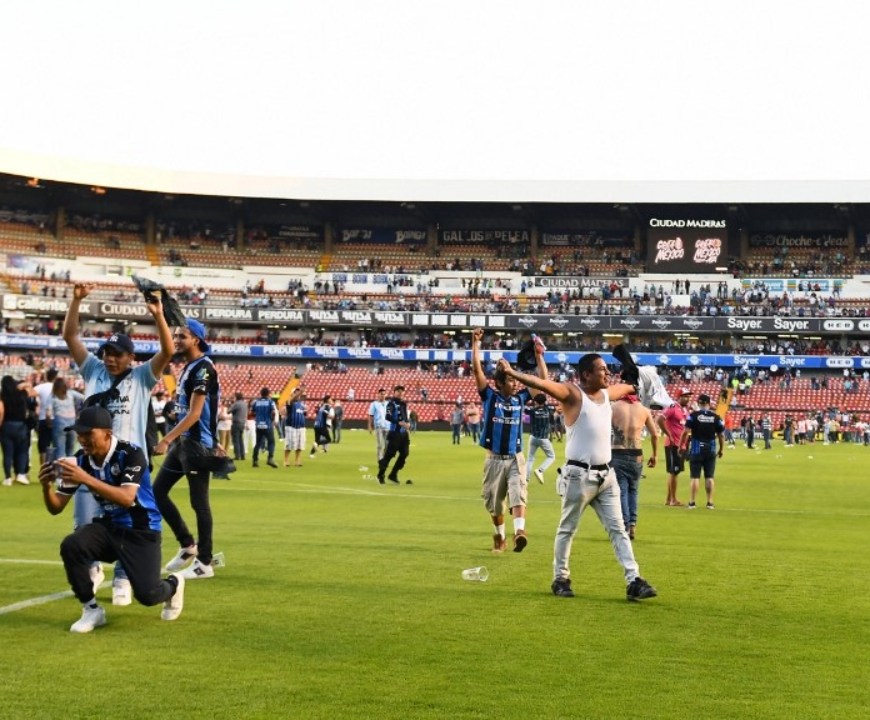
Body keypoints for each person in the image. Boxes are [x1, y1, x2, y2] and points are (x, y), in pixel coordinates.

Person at [496, 352, 657, 601]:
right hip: (578, 476)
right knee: (567, 530)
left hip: (606, 476)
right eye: (601, 369)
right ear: (586, 375)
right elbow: (540, 383)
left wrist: (635, 379)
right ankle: (560, 578)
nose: (606, 373)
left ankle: (634, 579)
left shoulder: (605, 394)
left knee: (619, 530)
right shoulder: (572, 394)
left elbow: (626, 387)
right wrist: (511, 372)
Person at [62, 282, 174, 606]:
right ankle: (93, 567)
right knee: (86, 520)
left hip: (129, 463)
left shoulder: (141, 377)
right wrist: (76, 300)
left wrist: (158, 315)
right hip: (93, 459)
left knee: (129, 521)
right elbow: (70, 337)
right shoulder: (93, 370)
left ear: (130, 357)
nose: (110, 360)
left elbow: (167, 352)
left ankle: (124, 577)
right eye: (107, 354)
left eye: (117, 355)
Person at [37, 406, 185, 633]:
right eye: (79, 434)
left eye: (88, 434)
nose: (82, 439)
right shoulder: (81, 460)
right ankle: (91, 609)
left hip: (141, 530)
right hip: (109, 527)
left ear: (107, 433)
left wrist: (85, 478)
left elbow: (127, 498)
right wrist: (46, 487)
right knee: (72, 544)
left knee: (148, 595)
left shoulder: (131, 453)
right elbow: (56, 507)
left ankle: (174, 584)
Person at [152, 319, 224, 581]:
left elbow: (195, 414)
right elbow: (201, 411)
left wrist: (166, 439)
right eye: (176, 336)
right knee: (157, 492)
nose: (177, 340)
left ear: (197, 339)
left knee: (199, 503)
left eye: (182, 336)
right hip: (187, 442)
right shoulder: (189, 367)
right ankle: (187, 545)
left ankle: (204, 562)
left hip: (194, 445)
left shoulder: (203, 368)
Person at [471, 327, 542, 553]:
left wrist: (539, 356)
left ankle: (519, 532)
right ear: (500, 383)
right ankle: (499, 536)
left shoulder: (520, 398)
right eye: (511, 381)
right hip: (494, 460)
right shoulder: (490, 396)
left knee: (518, 494)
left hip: (515, 458)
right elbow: (477, 371)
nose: (516, 384)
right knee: (495, 504)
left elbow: (543, 381)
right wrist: (476, 344)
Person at [611, 392, 659, 540]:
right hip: (636, 454)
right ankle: (632, 525)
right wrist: (654, 455)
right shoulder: (644, 410)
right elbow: (655, 435)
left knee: (622, 492)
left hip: (618, 452)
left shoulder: (614, 407)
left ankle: (624, 526)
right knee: (634, 491)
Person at [679, 394, 725, 510]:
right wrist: (721, 449)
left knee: (695, 477)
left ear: (699, 403)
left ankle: (692, 502)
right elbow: (721, 435)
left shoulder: (693, 416)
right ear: (709, 404)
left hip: (696, 449)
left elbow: (686, 432)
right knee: (709, 477)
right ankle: (710, 502)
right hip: (710, 449)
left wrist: (681, 445)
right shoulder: (716, 417)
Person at [657, 388, 692, 506]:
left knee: (674, 472)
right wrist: (669, 434)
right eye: (685, 396)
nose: (687, 398)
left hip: (680, 445)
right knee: (674, 471)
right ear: (679, 397)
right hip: (672, 445)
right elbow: (660, 419)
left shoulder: (685, 410)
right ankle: (673, 499)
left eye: (688, 396)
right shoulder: (673, 408)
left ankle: (668, 499)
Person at [0, 375, 36, 486]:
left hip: (6, 425)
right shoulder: (21, 394)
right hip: (21, 425)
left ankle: (8, 478)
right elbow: (33, 392)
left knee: (7, 453)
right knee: (22, 451)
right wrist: (23, 385)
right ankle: (21, 474)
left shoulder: (2, 396)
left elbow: (1, 411)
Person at [377, 385, 411, 485]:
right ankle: (381, 474)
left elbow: (405, 416)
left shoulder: (403, 404)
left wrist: (407, 423)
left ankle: (393, 474)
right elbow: (388, 416)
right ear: (394, 392)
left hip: (404, 434)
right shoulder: (392, 404)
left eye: (402, 391)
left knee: (404, 454)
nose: (400, 393)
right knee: (389, 455)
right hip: (395, 433)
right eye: (398, 391)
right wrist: (399, 422)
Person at [47, 376, 85, 458]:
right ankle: (70, 469)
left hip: (59, 422)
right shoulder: (70, 393)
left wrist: (49, 423)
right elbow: (84, 397)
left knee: (59, 450)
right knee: (70, 450)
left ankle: (60, 470)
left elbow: (48, 413)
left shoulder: (52, 396)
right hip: (72, 422)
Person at [526, 393, 556, 484]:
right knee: (551, 457)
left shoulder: (533, 411)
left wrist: (533, 403)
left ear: (535, 401)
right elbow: (553, 409)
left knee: (530, 458)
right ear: (544, 401)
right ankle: (540, 470)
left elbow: (526, 410)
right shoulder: (548, 409)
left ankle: (526, 478)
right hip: (544, 438)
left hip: (533, 437)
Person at [34, 367, 59, 465]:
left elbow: (30, 393)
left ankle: (44, 472)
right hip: (58, 419)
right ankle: (57, 473)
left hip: (44, 419)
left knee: (43, 447)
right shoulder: (59, 387)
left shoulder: (41, 387)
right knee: (58, 446)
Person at [251, 387, 279, 468]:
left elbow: (252, 412)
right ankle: (270, 458)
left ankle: (255, 460)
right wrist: (272, 419)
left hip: (258, 425)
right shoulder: (270, 402)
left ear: (261, 394)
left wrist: (258, 416)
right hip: (267, 425)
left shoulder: (256, 402)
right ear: (268, 394)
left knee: (258, 443)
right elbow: (273, 412)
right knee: (271, 442)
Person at [283, 387, 307, 467]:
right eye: (295, 392)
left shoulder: (301, 405)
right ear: (292, 394)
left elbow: (304, 414)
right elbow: (292, 400)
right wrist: (300, 392)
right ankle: (286, 461)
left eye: (298, 392)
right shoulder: (289, 401)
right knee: (289, 444)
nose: (298, 394)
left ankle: (297, 461)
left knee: (300, 445)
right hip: (291, 426)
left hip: (301, 427)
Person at [367, 388, 388, 460]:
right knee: (380, 445)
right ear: (378, 395)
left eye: (384, 394)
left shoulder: (388, 404)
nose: (383, 395)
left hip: (387, 426)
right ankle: (380, 459)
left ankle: (385, 458)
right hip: (378, 426)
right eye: (381, 394)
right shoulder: (374, 404)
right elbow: (371, 415)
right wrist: (370, 425)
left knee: (387, 444)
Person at [229, 392, 248, 460]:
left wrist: (231, 404)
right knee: (240, 440)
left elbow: (229, 411)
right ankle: (242, 455)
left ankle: (237, 455)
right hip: (242, 423)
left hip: (236, 423)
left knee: (236, 440)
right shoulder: (244, 404)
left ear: (236, 397)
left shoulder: (236, 404)